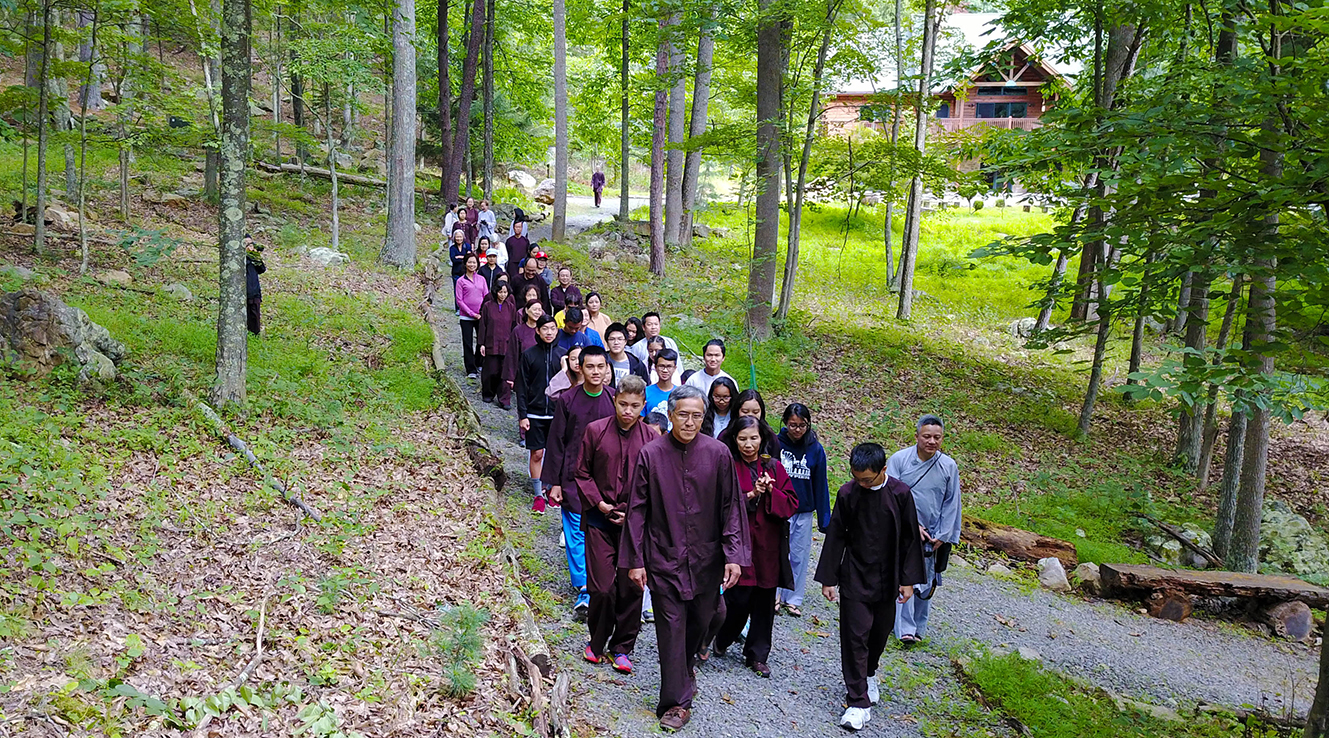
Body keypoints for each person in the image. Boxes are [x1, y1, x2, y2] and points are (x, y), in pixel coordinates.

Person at [621, 385, 751, 732]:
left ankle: (686, 667)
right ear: (671, 414)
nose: (690, 422)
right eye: (683, 415)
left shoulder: (718, 454)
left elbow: (732, 508)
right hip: (663, 556)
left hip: (707, 559)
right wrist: (635, 560)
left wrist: (733, 555)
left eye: (696, 415)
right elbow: (637, 510)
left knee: (700, 621)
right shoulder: (651, 454)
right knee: (670, 628)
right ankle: (676, 703)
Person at [816, 443, 926, 732]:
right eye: (857, 478)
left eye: (867, 479)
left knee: (878, 634)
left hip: (888, 576)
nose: (861, 484)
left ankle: (869, 673)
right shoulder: (848, 493)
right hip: (854, 574)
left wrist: (908, 580)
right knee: (855, 636)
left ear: (883, 470)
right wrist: (829, 578)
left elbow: (910, 538)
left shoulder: (900, 494)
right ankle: (857, 702)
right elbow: (836, 535)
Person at [575, 375, 654, 672]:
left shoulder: (651, 439)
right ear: (614, 401)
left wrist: (633, 512)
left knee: (632, 588)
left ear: (643, 405)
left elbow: (655, 484)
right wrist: (599, 503)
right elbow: (582, 472)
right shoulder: (595, 431)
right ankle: (596, 642)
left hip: (635, 525)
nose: (628, 411)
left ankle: (622, 647)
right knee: (602, 587)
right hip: (600, 519)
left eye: (634, 405)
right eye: (623, 404)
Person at [713, 416, 798, 678]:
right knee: (737, 599)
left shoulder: (774, 467)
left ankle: (757, 655)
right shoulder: (728, 465)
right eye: (742, 439)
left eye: (753, 438)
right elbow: (720, 503)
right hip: (739, 544)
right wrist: (751, 494)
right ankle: (722, 637)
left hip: (768, 546)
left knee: (764, 602)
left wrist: (771, 491)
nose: (748, 444)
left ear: (762, 439)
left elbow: (791, 503)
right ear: (734, 440)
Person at [545, 346, 617, 619]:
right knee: (576, 535)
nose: (595, 372)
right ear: (580, 368)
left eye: (600, 367)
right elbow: (557, 441)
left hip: (606, 480)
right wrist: (554, 482)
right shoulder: (568, 400)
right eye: (590, 367)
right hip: (573, 478)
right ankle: (584, 587)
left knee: (600, 535)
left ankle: (603, 583)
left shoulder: (614, 399)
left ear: (607, 369)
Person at [891, 414, 962, 646]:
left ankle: (919, 627)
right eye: (927, 436)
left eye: (937, 437)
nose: (932, 441)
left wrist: (944, 534)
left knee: (927, 580)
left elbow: (952, 502)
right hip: (905, 530)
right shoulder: (900, 460)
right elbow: (890, 497)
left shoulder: (948, 466)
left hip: (933, 534)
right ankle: (905, 629)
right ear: (917, 436)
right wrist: (912, 525)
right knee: (906, 577)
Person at [775, 404, 830, 618]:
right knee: (778, 553)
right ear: (785, 423)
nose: (797, 430)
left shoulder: (815, 449)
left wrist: (825, 519)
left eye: (802, 425)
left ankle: (793, 599)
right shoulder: (776, 444)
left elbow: (821, 484)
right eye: (792, 425)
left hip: (804, 511)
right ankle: (774, 595)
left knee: (799, 556)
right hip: (780, 510)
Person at [516, 316, 566, 514]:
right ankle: (538, 494)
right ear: (537, 331)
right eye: (545, 328)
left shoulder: (563, 356)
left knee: (555, 454)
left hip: (557, 414)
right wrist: (523, 415)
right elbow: (522, 386)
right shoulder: (528, 355)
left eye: (552, 328)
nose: (549, 332)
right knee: (537, 453)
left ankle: (551, 489)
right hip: (534, 412)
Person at [478, 281, 517, 407]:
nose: (503, 295)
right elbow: (483, 325)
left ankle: (504, 399)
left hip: (506, 343)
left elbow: (514, 325)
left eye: (505, 292)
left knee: (505, 372)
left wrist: (514, 344)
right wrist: (482, 343)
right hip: (491, 342)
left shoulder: (511, 307)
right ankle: (488, 393)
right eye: (500, 292)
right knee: (490, 370)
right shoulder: (488, 306)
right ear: (496, 292)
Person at [455, 253, 489, 379]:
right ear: (465, 264)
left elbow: (486, 296)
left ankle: (479, 362)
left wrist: (482, 312)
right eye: (469, 262)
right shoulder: (460, 281)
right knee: (467, 343)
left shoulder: (482, 279)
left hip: (481, 316)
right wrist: (471, 313)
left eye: (474, 262)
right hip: (466, 317)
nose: (472, 265)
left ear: (477, 264)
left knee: (481, 341)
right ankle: (470, 369)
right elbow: (459, 300)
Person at [505, 298, 545, 395]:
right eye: (534, 309)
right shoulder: (518, 330)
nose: (537, 312)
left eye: (539, 310)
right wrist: (511, 377)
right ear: (526, 310)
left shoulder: (544, 330)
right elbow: (512, 355)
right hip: (523, 373)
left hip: (540, 373)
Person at [733, 389, 779, 456]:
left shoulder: (770, 437)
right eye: (745, 412)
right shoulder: (726, 436)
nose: (750, 415)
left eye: (755, 412)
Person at [603, 323, 649, 388]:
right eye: (612, 339)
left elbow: (645, 386)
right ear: (607, 342)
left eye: (620, 339)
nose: (616, 342)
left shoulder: (636, 364)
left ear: (625, 341)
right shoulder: (601, 360)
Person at [643, 349, 678, 421]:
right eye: (661, 366)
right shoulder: (645, 392)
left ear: (674, 368)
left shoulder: (679, 394)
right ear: (655, 367)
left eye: (669, 366)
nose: (665, 370)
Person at [243, 234, 266, 335]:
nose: (249, 246)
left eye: (251, 243)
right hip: (244, 292)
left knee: (255, 317)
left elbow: (262, 269)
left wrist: (256, 256)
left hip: (255, 292)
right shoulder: (241, 258)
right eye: (246, 244)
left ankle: (255, 336)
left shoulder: (254, 258)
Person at [448, 229, 475, 312]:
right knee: (457, 291)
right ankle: (458, 308)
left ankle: (467, 308)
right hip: (456, 272)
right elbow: (453, 259)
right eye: (457, 237)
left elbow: (469, 258)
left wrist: (459, 257)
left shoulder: (467, 246)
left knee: (467, 290)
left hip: (466, 272)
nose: (458, 238)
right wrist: (464, 257)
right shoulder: (452, 248)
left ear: (463, 237)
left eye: (460, 237)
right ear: (454, 238)